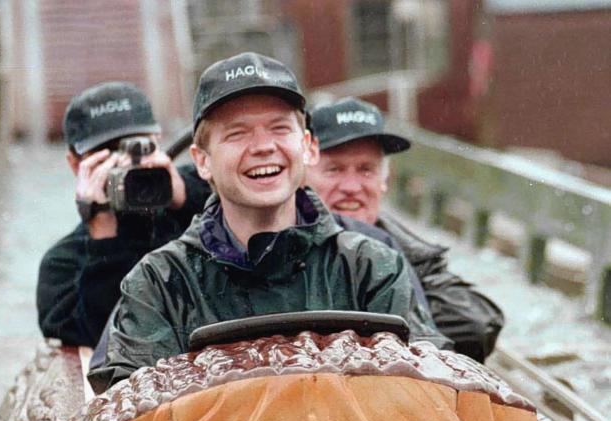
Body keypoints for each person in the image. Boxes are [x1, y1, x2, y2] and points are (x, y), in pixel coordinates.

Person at [88, 53, 446, 394]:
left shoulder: (373, 266)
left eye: (279, 128)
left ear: (306, 146)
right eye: (237, 133)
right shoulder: (159, 282)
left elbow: (427, 390)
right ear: (202, 161)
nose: (263, 146)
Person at [306, 97, 504, 362]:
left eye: (366, 170)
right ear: (302, 177)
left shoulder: (407, 249)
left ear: (385, 180)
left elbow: (476, 325)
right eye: (334, 170)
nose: (352, 186)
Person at [37, 81, 211, 347]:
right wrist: (102, 231)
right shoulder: (61, 266)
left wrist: (184, 196)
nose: (125, 163)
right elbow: (108, 342)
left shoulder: (210, 186)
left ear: (158, 139)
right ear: (75, 164)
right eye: (106, 154)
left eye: (137, 146)